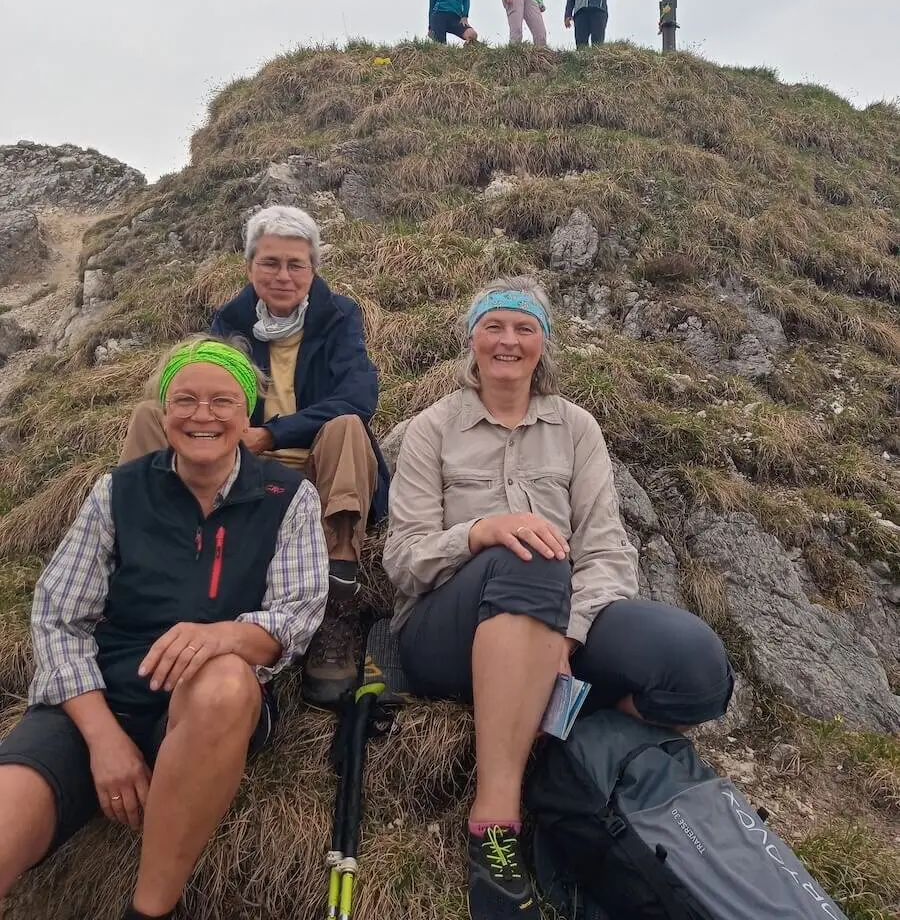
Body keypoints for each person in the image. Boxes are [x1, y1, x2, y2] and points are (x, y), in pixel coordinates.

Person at [383, 277, 734, 920]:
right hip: (444, 635)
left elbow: (606, 553)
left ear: (543, 343)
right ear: (471, 340)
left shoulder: (576, 428)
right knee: (534, 552)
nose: (508, 341)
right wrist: (481, 532)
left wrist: (567, 635)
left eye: (525, 328)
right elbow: (404, 561)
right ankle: (495, 819)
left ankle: (566, 746)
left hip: (558, 625)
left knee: (695, 670)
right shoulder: (431, 429)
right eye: (493, 326)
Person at [0, 338, 329, 920]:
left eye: (222, 401)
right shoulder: (117, 491)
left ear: (247, 414)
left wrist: (223, 635)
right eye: (186, 399)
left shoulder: (288, 498)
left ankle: (151, 910)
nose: (203, 415)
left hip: (209, 707)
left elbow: (296, 616)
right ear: (164, 410)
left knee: (226, 680)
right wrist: (105, 740)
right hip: (98, 699)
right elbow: (58, 616)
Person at [120, 205, 390, 708]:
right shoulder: (232, 321)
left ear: (313, 270)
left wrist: (271, 433)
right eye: (270, 262)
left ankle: (338, 597)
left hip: (314, 458)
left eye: (295, 264)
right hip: (241, 461)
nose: (283, 276)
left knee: (348, 427)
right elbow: (206, 389)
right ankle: (138, 551)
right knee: (149, 416)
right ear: (249, 267)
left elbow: (359, 397)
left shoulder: (339, 315)